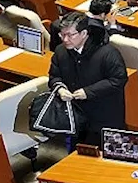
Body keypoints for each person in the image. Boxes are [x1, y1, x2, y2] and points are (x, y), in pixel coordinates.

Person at [48, 12, 128, 146]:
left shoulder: (107, 53)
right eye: (62, 35)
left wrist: (88, 92)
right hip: (76, 117)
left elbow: (118, 79)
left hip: (105, 116)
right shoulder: (60, 51)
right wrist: (60, 88)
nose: (65, 39)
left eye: (70, 35)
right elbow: (54, 76)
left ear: (84, 33)